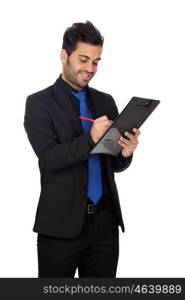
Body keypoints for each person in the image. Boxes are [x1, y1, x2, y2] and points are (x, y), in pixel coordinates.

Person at [24, 21, 140, 278]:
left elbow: (113, 163)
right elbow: (49, 159)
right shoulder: (38, 103)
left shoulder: (105, 101)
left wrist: (125, 152)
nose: (90, 69)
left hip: (105, 225)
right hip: (60, 227)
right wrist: (90, 139)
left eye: (96, 62)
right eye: (84, 59)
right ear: (64, 55)